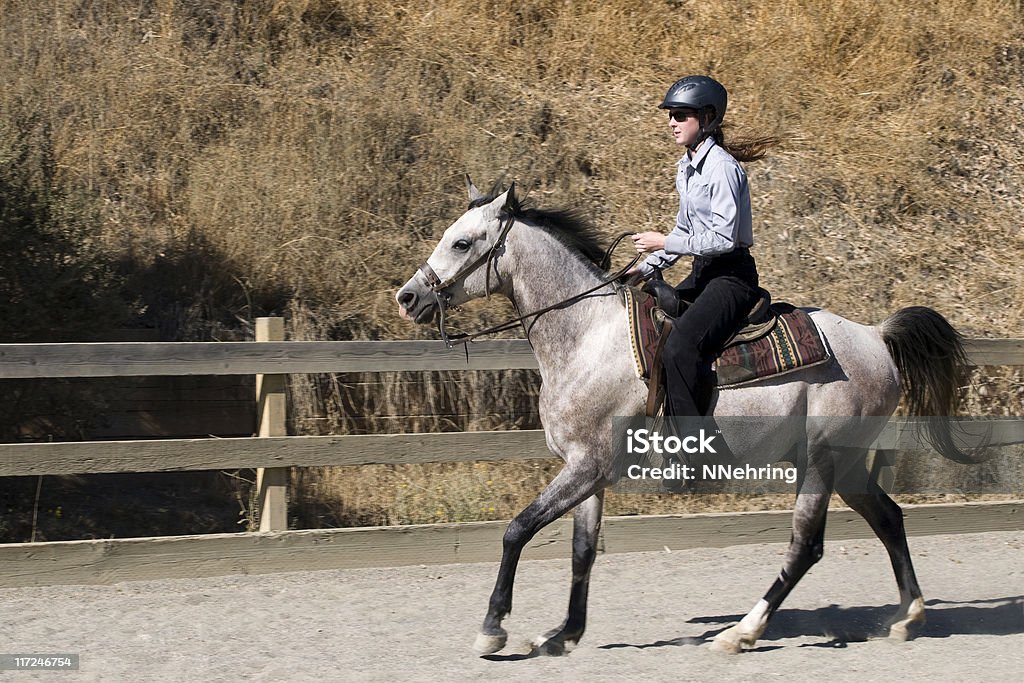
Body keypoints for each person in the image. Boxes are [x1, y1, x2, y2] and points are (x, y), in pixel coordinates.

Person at [628, 75, 776, 418]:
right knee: (653, 323)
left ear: (707, 118)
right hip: (704, 274)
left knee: (680, 348)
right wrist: (642, 268)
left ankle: (693, 453)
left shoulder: (722, 169)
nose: (672, 122)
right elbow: (685, 230)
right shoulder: (687, 167)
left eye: (681, 115)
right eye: (670, 115)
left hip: (732, 279)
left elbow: (723, 239)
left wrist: (663, 241)